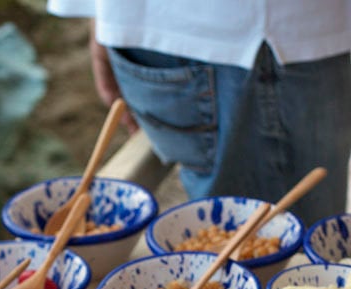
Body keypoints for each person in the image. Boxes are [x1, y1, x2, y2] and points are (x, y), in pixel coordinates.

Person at [46, 0, 351, 226]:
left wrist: (98, 14)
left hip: (146, 23)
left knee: (244, 248)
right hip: (259, 34)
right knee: (283, 265)